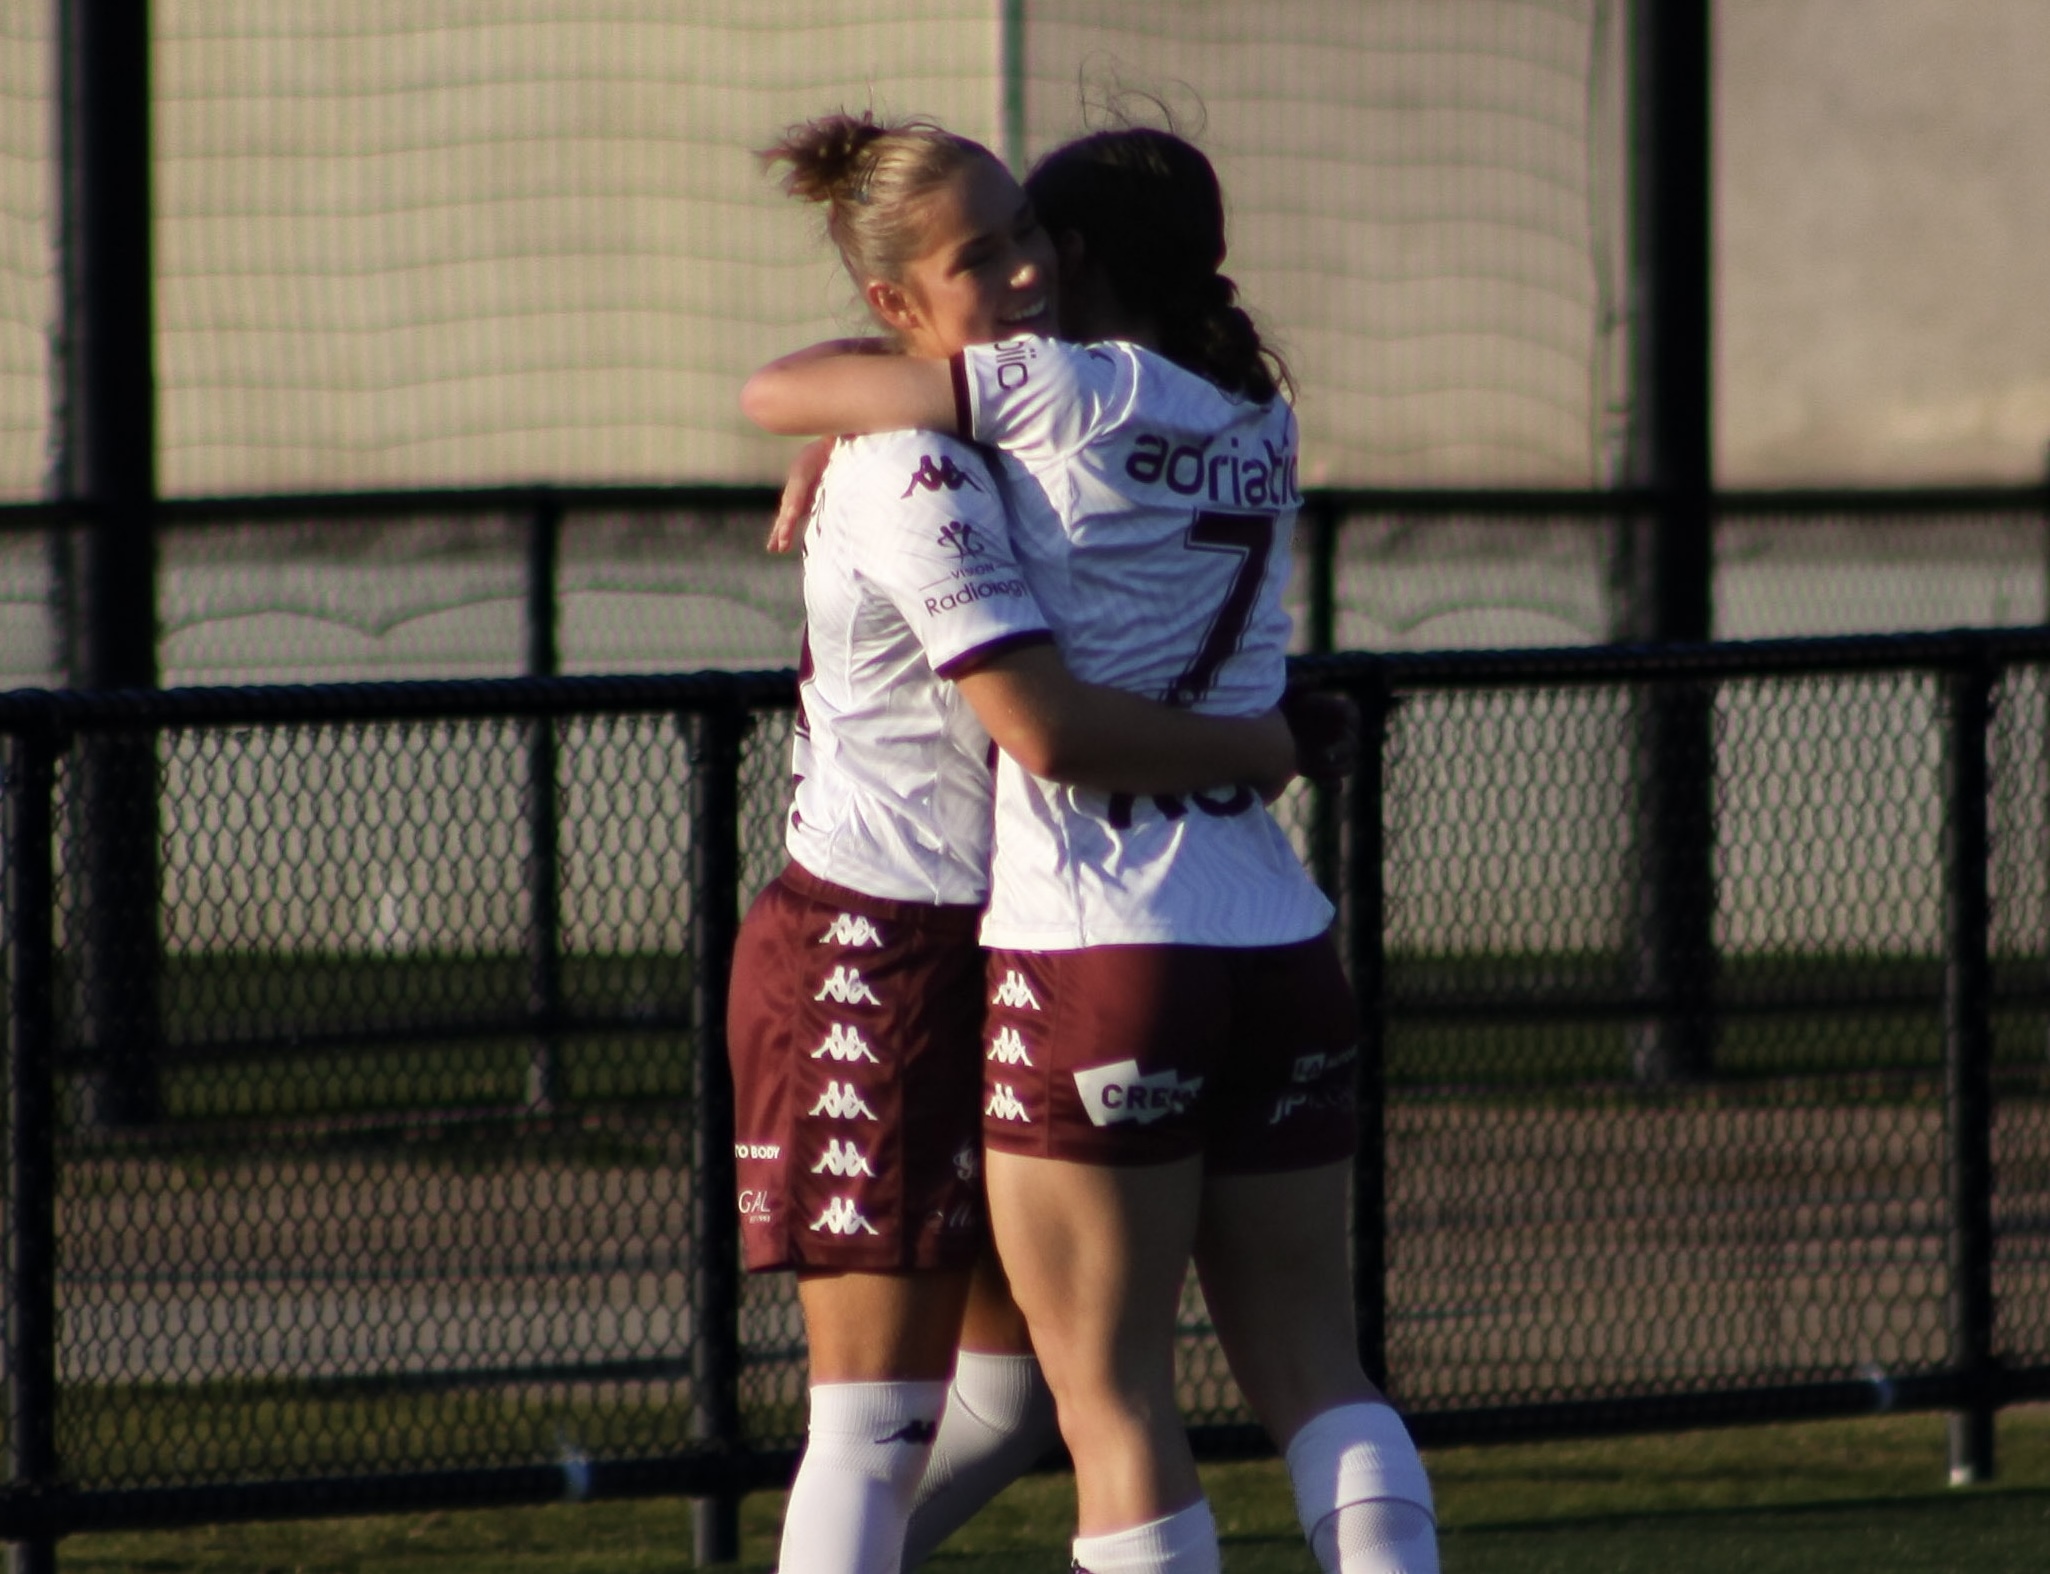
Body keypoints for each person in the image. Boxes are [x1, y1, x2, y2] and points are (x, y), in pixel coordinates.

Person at [744, 124, 1439, 1574]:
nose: (1021, 270)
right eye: (985, 250)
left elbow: (1046, 724)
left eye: (1032, 237)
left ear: (1081, 256)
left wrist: (854, 409)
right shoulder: (1256, 410)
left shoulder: (1044, 397)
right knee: (1308, 1373)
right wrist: (1264, 744)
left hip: (1089, 939)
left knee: (1094, 1405)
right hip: (1242, 931)